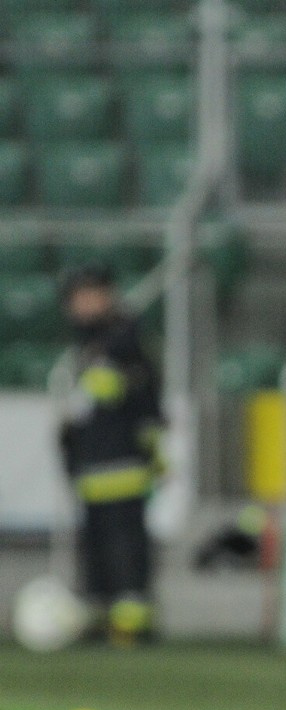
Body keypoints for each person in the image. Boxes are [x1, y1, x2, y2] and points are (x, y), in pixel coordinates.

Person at [55, 262, 166, 645]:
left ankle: (131, 624)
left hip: (122, 464)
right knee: (96, 549)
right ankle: (102, 619)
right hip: (92, 467)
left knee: (125, 546)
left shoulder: (122, 341)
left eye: (90, 294)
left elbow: (138, 402)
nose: (82, 304)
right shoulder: (87, 344)